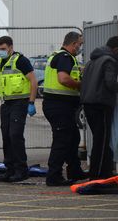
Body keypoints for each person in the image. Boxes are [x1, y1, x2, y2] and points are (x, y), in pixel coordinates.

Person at [0, 36, 38, 183]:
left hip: (20, 103)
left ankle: (21, 170)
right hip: (6, 104)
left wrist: (31, 102)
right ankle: (9, 170)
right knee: (6, 136)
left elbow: (33, 81)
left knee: (15, 135)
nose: (0, 51)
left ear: (10, 47)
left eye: (3, 49)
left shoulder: (20, 61)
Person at [43, 32, 87, 186]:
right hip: (59, 106)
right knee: (61, 141)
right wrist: (81, 85)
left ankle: (75, 170)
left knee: (73, 137)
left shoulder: (59, 56)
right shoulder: (65, 57)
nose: (80, 48)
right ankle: (53, 176)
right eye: (79, 44)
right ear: (73, 43)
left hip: (59, 106)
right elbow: (63, 79)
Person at [80, 36, 118, 180]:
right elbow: (110, 82)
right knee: (103, 140)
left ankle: (102, 171)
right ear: (116, 49)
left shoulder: (91, 61)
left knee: (100, 139)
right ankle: (98, 174)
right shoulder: (109, 61)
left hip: (88, 104)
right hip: (101, 104)